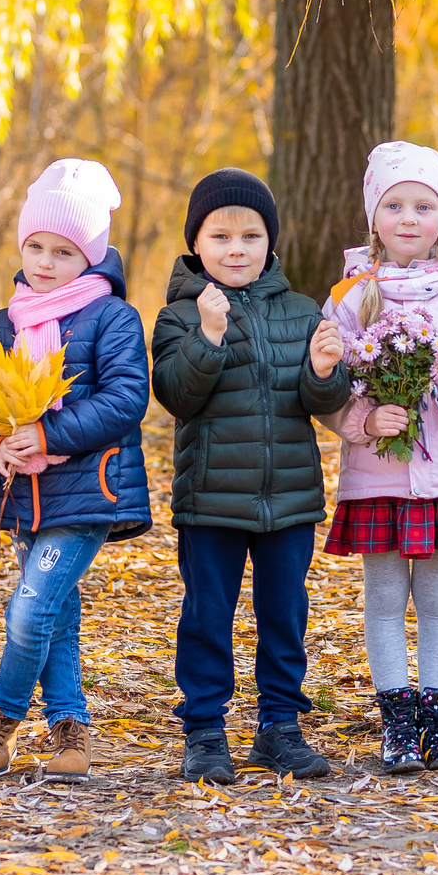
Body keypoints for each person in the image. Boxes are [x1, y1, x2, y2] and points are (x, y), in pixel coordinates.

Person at [150, 169, 353, 782]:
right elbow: (176, 394)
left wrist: (322, 371)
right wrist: (209, 336)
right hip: (211, 498)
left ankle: (279, 726)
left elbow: (321, 401)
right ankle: (206, 731)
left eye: (250, 236)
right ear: (197, 244)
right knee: (208, 614)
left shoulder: (301, 310)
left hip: (288, 499)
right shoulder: (179, 315)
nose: (236, 250)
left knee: (285, 613)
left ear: (271, 243)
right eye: (220, 237)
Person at [320, 142, 438, 774]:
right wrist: (366, 421)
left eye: (423, 206)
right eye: (394, 204)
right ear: (374, 217)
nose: (408, 217)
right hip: (377, 476)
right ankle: (396, 723)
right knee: (382, 598)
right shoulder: (352, 297)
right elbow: (324, 390)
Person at [0, 160, 151, 783]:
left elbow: (125, 400)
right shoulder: (7, 321)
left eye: (63, 251)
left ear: (90, 256)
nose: (44, 261)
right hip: (26, 494)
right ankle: (71, 729)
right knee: (55, 614)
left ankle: (2, 716)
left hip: (88, 489)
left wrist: (44, 432)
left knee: (30, 608)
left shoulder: (111, 318)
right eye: (36, 246)